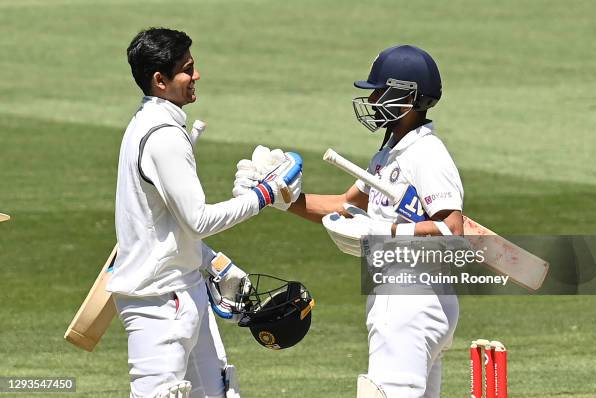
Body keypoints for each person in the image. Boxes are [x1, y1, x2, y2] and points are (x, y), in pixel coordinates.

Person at [233, 45, 463, 397]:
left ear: (407, 97)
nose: (371, 98)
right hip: (411, 298)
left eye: (380, 91)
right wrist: (276, 199)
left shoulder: (426, 153)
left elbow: (451, 229)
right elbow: (344, 205)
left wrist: (381, 232)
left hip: (408, 301)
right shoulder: (390, 154)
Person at [109, 27, 301, 398]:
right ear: (160, 80)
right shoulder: (163, 136)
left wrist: (211, 262)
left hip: (183, 290)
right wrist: (265, 194)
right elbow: (199, 220)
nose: (196, 76)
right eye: (187, 69)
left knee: (218, 392)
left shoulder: (150, 124)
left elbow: (165, 227)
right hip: (158, 303)